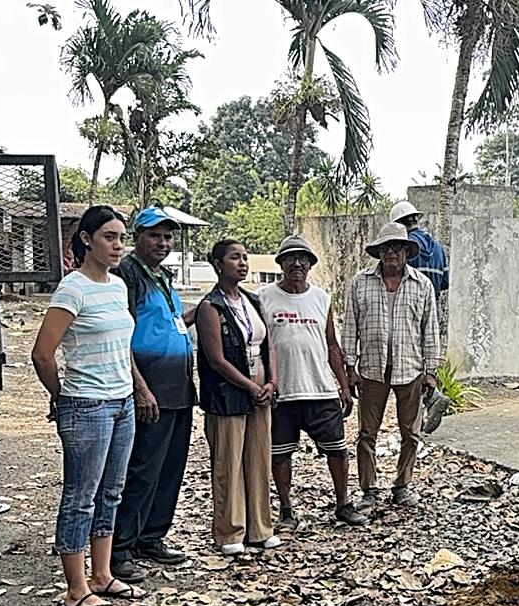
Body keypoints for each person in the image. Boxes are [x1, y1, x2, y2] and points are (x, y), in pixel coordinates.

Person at [31, 206, 146, 606]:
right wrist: (61, 395)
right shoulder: (72, 289)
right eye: (108, 238)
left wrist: (133, 388)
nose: (118, 246)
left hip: (121, 403)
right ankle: (75, 589)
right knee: (80, 497)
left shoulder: (117, 286)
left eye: (121, 238)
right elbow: (42, 354)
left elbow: (121, 345)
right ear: (86, 240)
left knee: (111, 492)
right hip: (86, 405)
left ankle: (102, 575)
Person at [107, 207, 195, 583]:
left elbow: (169, 323)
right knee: (142, 468)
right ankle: (120, 548)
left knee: (170, 467)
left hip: (178, 386)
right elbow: (122, 335)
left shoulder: (163, 276)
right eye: (155, 235)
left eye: (168, 237)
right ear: (138, 237)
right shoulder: (127, 275)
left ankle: (152, 536)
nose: (163, 243)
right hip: (150, 388)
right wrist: (140, 387)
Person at [257, 236, 369, 528]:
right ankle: (286, 509)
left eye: (303, 259)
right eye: (290, 258)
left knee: (338, 450)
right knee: (280, 455)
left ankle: (343, 504)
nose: (297, 264)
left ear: (310, 264)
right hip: (283, 391)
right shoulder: (263, 297)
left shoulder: (321, 298)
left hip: (320, 389)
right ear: (281, 263)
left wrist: (343, 386)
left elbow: (331, 344)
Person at [342, 222, 442, 511]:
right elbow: (350, 327)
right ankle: (369, 489)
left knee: (410, 433)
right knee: (366, 434)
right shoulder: (361, 282)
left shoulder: (421, 285)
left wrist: (431, 372)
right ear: (379, 252)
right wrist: (350, 368)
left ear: (406, 252)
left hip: (410, 370)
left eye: (397, 247)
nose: (391, 253)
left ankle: (402, 485)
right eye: (385, 248)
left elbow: (430, 331)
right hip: (371, 370)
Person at [195, 240, 281, 556]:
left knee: (259, 456)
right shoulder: (210, 306)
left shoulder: (253, 301)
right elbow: (216, 359)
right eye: (235, 257)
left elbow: (269, 344)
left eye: (245, 257)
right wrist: (249, 386)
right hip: (228, 388)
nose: (242, 263)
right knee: (229, 460)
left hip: (260, 381)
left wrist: (271, 382)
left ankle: (260, 527)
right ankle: (230, 531)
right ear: (218, 264)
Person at [389, 201, 452, 435]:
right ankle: (428, 402)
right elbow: (445, 283)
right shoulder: (438, 248)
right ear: (416, 219)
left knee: (406, 365)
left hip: (409, 310)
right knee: (423, 361)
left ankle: (429, 401)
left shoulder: (406, 248)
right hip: (433, 310)